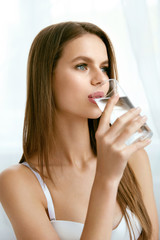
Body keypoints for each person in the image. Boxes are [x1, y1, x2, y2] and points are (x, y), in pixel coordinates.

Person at [0, 21, 158, 240]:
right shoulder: (18, 182)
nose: (101, 79)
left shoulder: (133, 159)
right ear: (46, 76)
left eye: (104, 67)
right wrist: (106, 178)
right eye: (82, 66)